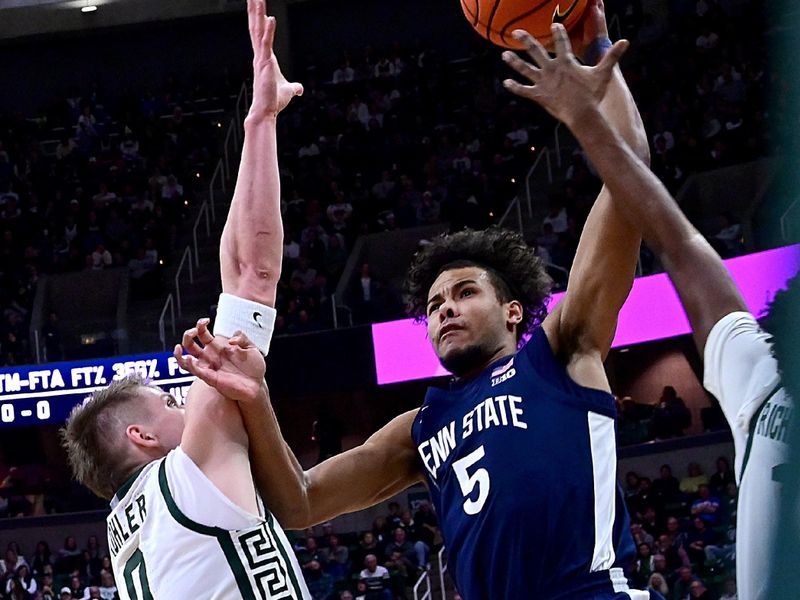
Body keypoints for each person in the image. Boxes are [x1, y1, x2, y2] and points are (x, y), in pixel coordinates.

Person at [181, 2, 658, 598]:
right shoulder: (422, 426)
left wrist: (597, 57)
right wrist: (255, 397)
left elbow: (630, 177)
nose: (444, 310)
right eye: (433, 306)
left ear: (514, 310)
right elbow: (300, 503)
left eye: (463, 293)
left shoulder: (563, 350)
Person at [501, 21, 793, 600]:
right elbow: (672, 237)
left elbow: (675, 238)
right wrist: (588, 96)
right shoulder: (760, 378)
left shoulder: (761, 377)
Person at [60, 2, 309, 599]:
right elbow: (253, 272)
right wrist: (260, 120)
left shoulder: (124, 540)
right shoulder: (187, 473)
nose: (187, 400)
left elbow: (235, 277)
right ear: (143, 438)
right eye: (171, 401)